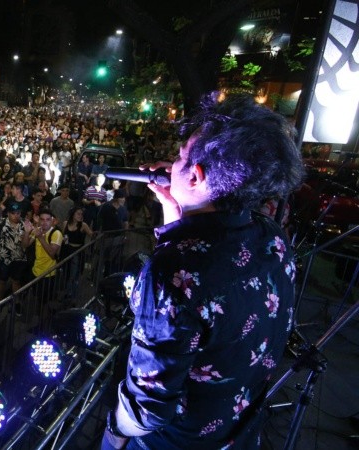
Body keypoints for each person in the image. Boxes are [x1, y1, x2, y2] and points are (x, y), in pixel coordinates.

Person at [102, 94, 304, 450]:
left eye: (180, 157)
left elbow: (146, 410)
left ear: (196, 175)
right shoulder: (272, 237)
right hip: (238, 433)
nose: (172, 162)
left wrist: (112, 433)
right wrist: (176, 209)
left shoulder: (172, 273)